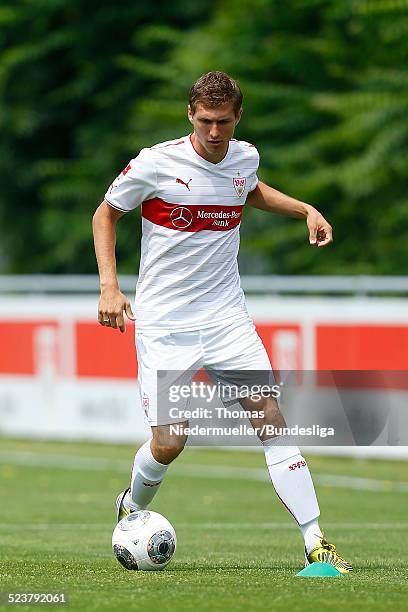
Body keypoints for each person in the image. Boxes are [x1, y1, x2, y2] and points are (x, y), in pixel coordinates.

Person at [92, 71, 352, 573]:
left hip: (228, 318)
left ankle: (316, 542)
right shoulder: (156, 163)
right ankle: (132, 507)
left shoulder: (244, 155)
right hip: (166, 324)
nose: (215, 133)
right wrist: (109, 285)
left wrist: (305, 210)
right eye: (206, 121)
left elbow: (247, 190)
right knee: (171, 441)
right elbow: (105, 215)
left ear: (238, 119)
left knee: (270, 417)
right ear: (191, 115)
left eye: (224, 123)